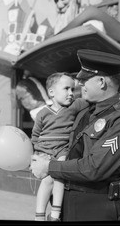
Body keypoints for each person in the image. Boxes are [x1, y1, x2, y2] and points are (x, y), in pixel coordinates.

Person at [30, 49, 120, 221]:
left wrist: (49, 166)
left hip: (96, 208)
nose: (79, 84)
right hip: (66, 204)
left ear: (102, 82)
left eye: (84, 80)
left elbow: (94, 168)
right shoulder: (84, 112)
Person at [31, 72, 89, 221]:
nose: (71, 93)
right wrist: (35, 156)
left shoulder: (75, 105)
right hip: (45, 150)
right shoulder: (42, 113)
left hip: (62, 150)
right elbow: (35, 136)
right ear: (51, 92)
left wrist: (119, 97)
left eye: (73, 89)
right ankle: (39, 216)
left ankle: (55, 215)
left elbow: (92, 100)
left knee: (60, 176)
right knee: (46, 181)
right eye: (66, 89)